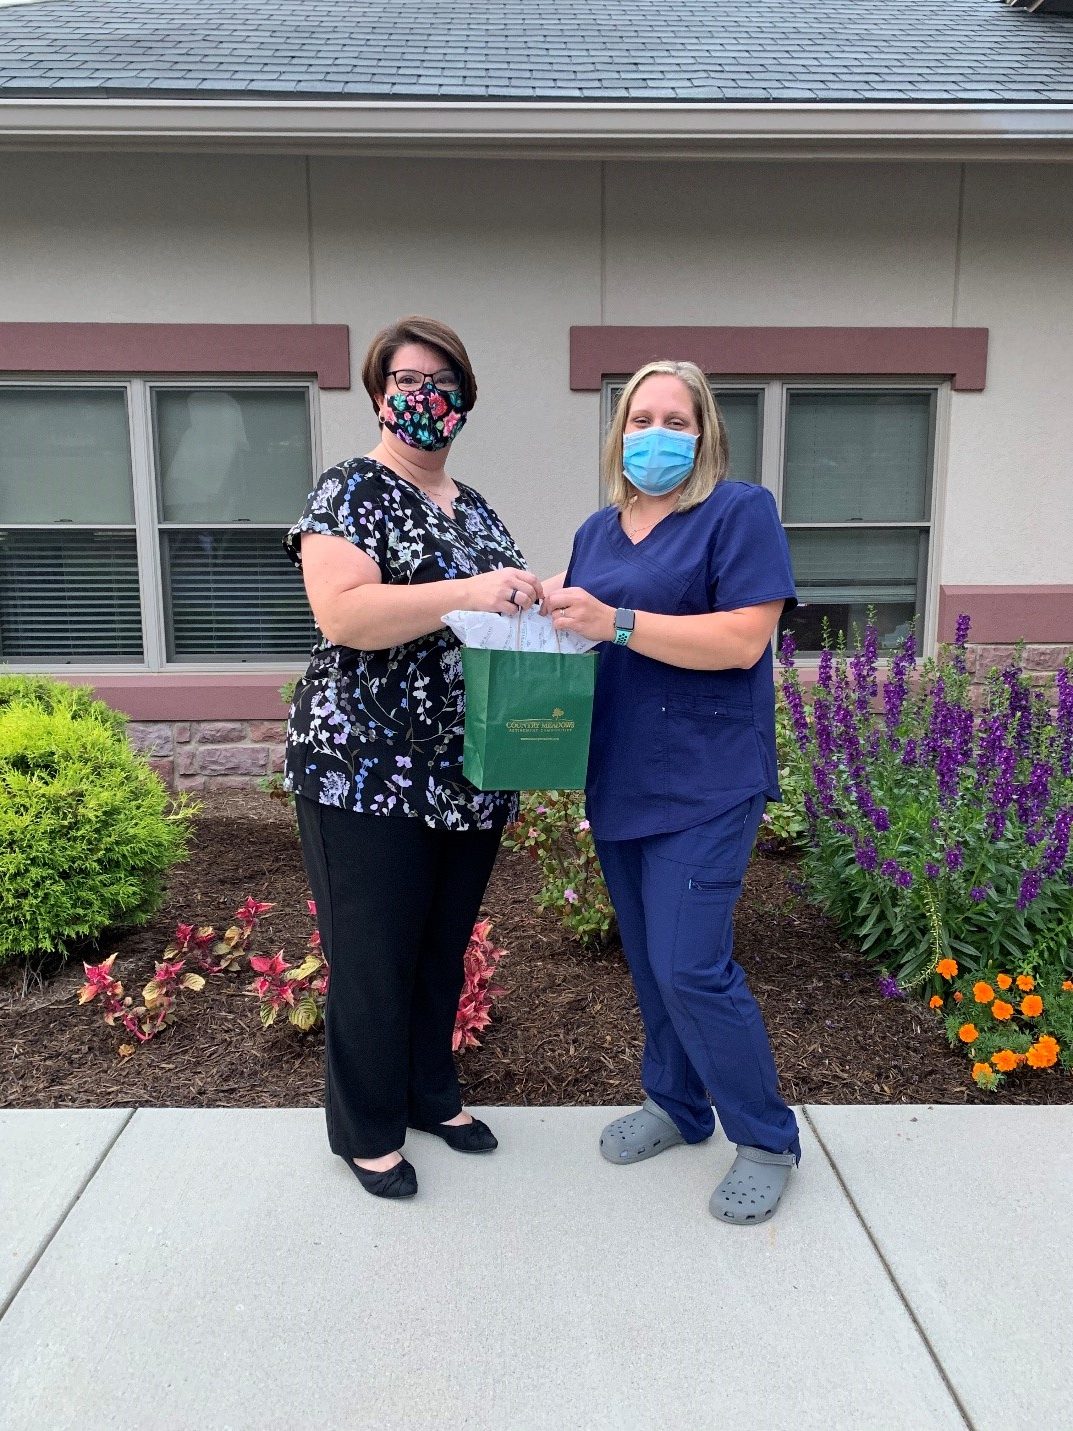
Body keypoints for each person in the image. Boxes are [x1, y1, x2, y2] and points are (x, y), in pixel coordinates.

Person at [283, 316, 541, 1199]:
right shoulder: (349, 490)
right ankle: (366, 1129)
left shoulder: (476, 508)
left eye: (441, 381)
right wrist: (470, 590)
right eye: (405, 379)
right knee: (373, 952)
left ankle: (432, 1093)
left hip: (467, 773)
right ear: (378, 393)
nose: (422, 395)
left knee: (440, 948)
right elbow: (344, 615)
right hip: (363, 769)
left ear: (464, 402)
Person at [542, 359, 801, 1225]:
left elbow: (739, 641)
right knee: (653, 966)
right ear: (619, 434)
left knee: (693, 964)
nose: (656, 434)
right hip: (620, 776)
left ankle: (764, 1136)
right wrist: (535, 611)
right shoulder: (595, 530)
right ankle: (677, 1103)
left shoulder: (737, 511)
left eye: (675, 420)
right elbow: (584, 642)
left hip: (706, 778)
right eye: (640, 418)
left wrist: (612, 619)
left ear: (704, 433)